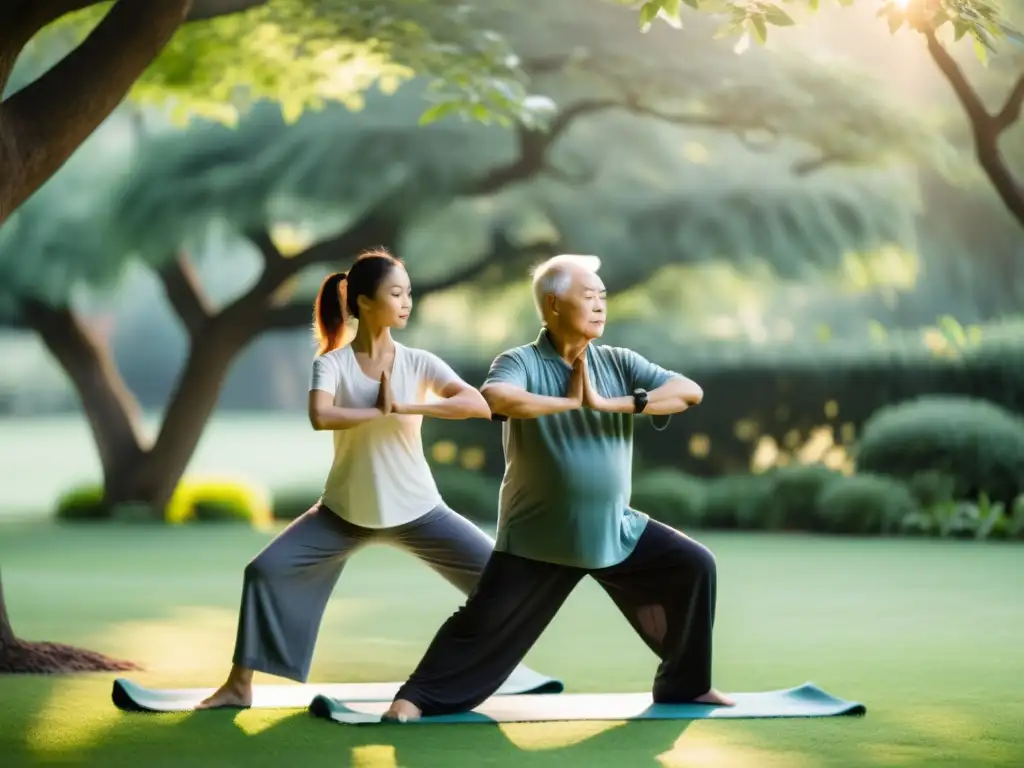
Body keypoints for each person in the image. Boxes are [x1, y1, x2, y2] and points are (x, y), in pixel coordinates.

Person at [382, 254, 734, 721]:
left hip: (613, 529)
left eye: (602, 297)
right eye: (588, 297)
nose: (599, 306)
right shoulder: (520, 361)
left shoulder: (618, 362)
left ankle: (685, 686)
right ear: (552, 305)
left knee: (693, 566)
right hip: (539, 536)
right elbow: (497, 398)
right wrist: (566, 401)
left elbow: (689, 391)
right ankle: (414, 699)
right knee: (483, 624)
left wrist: (614, 403)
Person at [197, 248, 549, 709]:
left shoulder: (419, 362)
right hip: (343, 512)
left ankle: (495, 668)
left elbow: (477, 405)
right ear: (363, 302)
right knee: (266, 571)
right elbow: (320, 415)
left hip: (419, 509)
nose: (406, 302)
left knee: (499, 581)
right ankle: (239, 686)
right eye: (395, 293)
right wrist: (375, 410)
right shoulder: (333, 364)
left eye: (408, 293)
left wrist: (406, 405)